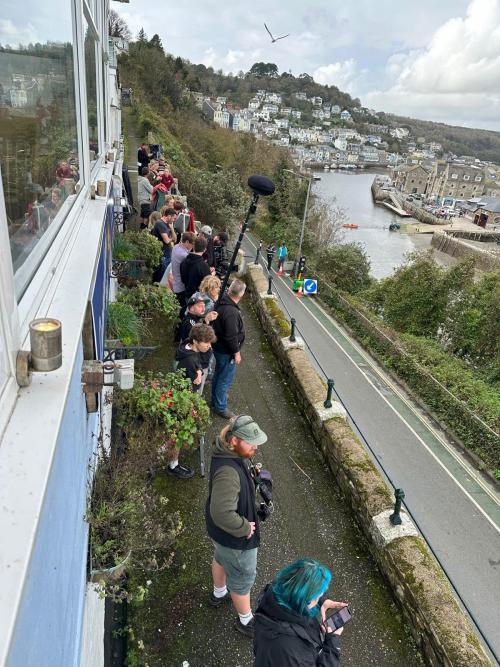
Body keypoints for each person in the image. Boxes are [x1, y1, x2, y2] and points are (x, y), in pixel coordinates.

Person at [206, 416, 268, 637]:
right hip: (235, 538)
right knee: (242, 578)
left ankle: (219, 593)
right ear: (234, 440)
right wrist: (244, 528)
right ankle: (245, 621)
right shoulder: (228, 473)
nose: (256, 446)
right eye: (251, 442)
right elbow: (221, 512)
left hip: (221, 537)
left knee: (221, 557)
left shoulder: (227, 453)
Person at [253, 559, 347, 666]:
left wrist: (322, 601)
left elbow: (300, 584)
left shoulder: (274, 593)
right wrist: (332, 646)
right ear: (306, 600)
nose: (320, 597)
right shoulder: (296, 653)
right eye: (318, 596)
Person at [211, 279, 246, 419]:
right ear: (241, 295)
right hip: (226, 351)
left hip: (219, 347)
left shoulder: (222, 301)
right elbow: (231, 336)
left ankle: (215, 400)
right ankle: (220, 407)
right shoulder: (231, 312)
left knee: (219, 375)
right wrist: (236, 353)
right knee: (224, 379)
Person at [175, 322, 216, 394]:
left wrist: (199, 370)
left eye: (210, 342)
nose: (210, 346)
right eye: (206, 342)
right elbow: (196, 386)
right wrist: (199, 375)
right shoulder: (191, 361)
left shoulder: (187, 342)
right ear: (195, 341)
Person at [180, 236, 211, 300]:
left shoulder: (184, 261)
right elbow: (208, 285)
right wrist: (211, 276)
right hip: (196, 299)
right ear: (205, 249)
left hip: (185, 292)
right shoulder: (204, 266)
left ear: (193, 246)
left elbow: (183, 279)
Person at [150, 207, 177, 282]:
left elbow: (175, 239)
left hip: (167, 254)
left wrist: (172, 229)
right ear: (169, 216)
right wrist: (170, 239)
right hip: (162, 255)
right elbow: (167, 241)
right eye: (173, 218)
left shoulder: (168, 225)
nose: (174, 220)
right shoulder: (160, 224)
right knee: (160, 277)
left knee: (164, 276)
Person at [171, 231, 195, 310]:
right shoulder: (184, 255)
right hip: (180, 287)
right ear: (187, 242)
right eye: (193, 244)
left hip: (175, 283)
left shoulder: (176, 247)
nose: (193, 247)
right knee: (181, 309)